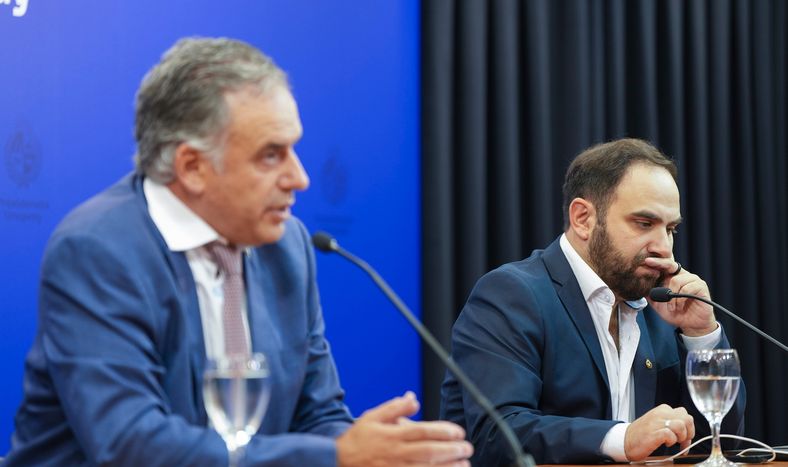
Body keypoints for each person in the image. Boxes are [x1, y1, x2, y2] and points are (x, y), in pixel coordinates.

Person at [5, 37, 473, 467]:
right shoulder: (99, 250)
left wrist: (385, 457)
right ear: (192, 167)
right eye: (271, 155)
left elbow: (317, 416)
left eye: (294, 150)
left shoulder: (287, 246)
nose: (300, 178)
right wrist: (337, 457)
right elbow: (132, 444)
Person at [440, 138, 746, 465]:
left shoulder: (665, 306)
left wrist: (701, 334)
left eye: (670, 229)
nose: (664, 247)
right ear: (583, 218)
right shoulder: (511, 295)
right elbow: (497, 434)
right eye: (644, 224)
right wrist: (622, 438)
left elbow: (719, 445)